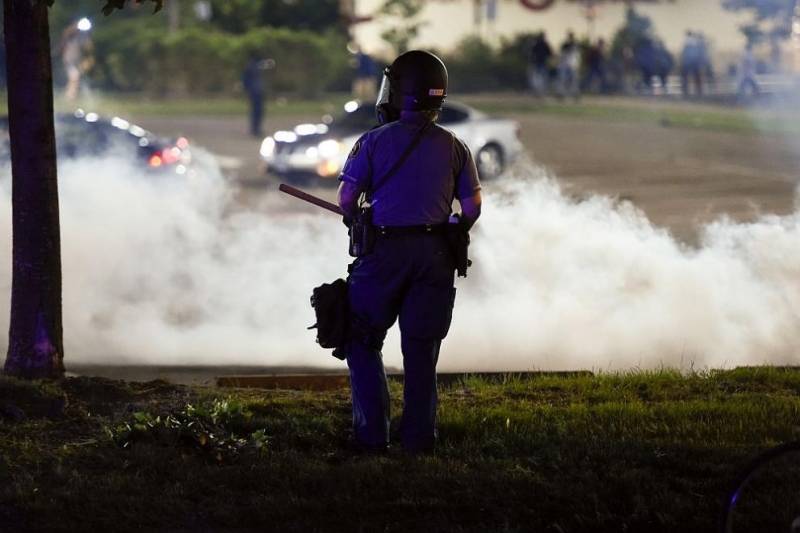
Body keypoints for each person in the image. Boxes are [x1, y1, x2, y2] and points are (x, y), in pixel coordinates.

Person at [336, 50, 482, 455]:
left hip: (384, 253)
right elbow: (471, 209)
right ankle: (418, 441)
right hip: (436, 258)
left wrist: (356, 217)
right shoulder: (455, 147)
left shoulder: (373, 141)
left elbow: (347, 198)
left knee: (362, 338)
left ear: (401, 92)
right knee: (421, 350)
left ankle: (371, 437)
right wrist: (451, 228)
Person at [241, 54, 268, 137]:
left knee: (256, 111)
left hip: (255, 91)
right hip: (257, 91)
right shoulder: (255, 67)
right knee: (257, 111)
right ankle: (256, 129)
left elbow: (244, 79)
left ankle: (255, 129)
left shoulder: (251, 67)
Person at [556, 30, 581, 101]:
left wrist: (577, 65)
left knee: (573, 81)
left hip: (572, 65)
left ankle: (575, 94)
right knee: (562, 80)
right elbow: (561, 54)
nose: (570, 37)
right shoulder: (565, 45)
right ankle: (561, 94)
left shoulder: (576, 45)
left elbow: (577, 56)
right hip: (564, 65)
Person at [527, 31, 553, 96]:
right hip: (539, 64)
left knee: (539, 79)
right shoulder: (539, 45)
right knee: (540, 79)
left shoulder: (539, 45)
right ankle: (539, 92)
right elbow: (550, 54)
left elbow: (531, 54)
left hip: (540, 64)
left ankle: (539, 92)